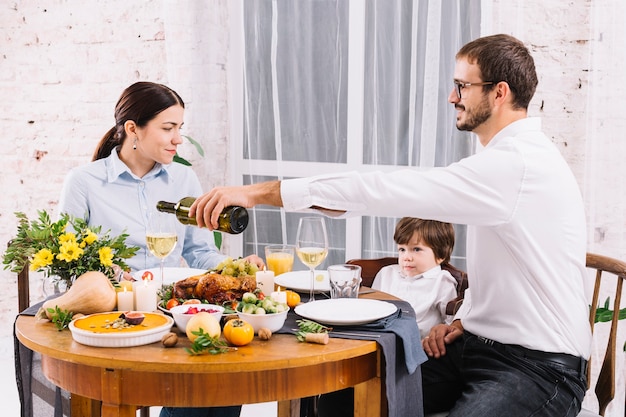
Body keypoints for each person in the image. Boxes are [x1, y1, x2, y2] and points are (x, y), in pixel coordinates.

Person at [189, 34, 591, 417]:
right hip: (474, 346)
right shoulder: (504, 161)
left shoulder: (516, 165)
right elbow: (513, 266)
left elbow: (384, 190)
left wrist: (257, 194)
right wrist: (464, 318)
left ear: (499, 92)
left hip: (538, 368)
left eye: (462, 86)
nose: (452, 97)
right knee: (334, 396)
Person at [58, 81, 261, 417]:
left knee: (224, 374)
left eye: (179, 128)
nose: (178, 139)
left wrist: (234, 268)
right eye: (168, 128)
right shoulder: (84, 183)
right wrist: (113, 276)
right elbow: (73, 264)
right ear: (132, 129)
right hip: (116, 318)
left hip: (174, 310)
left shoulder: (184, 179)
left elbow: (199, 252)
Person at [372, 217, 457, 340]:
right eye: (402, 249)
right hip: (379, 338)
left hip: (418, 346)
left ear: (440, 254)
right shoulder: (387, 273)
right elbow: (372, 307)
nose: (406, 257)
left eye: (416, 249)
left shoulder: (442, 282)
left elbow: (449, 323)